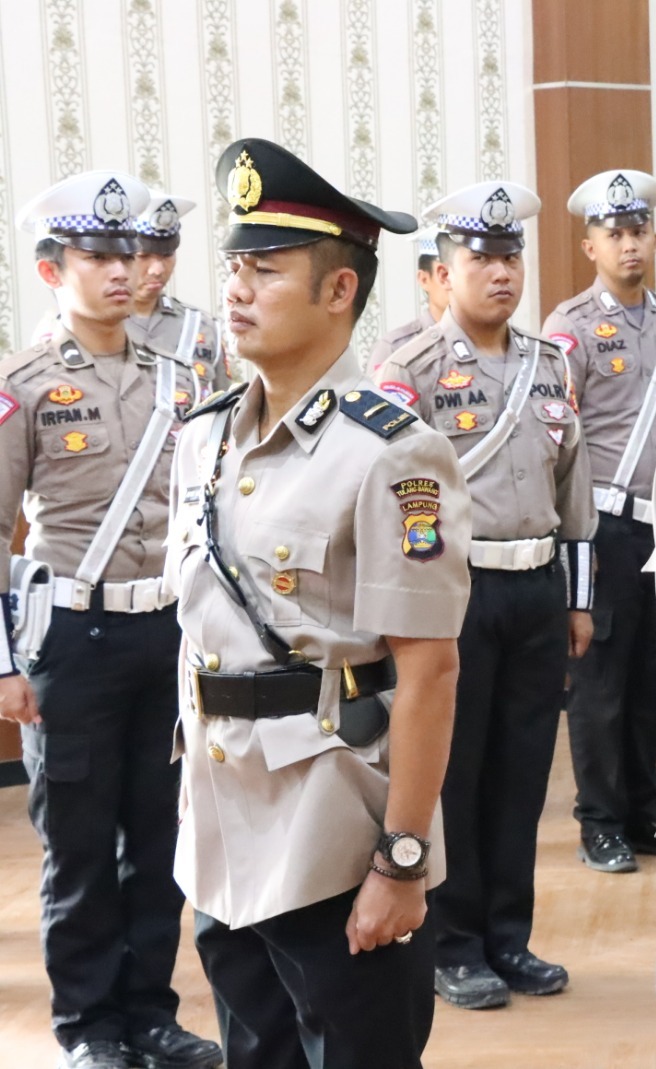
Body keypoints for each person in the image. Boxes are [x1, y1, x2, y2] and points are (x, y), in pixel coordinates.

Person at [166, 138, 470, 1069]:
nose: (238, 289)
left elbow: (427, 671)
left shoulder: (390, 451)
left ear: (339, 292)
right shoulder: (205, 437)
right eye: (234, 267)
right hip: (222, 827)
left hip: (334, 834)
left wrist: (403, 861)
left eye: (266, 270)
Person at [0, 171, 223, 1069]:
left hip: (166, 633)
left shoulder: (183, 376)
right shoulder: (23, 386)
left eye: (129, 253)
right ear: (54, 271)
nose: (123, 271)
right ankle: (89, 1027)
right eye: (98, 255)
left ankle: (151, 1014)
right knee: (82, 847)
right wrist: (3, 666)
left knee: (159, 838)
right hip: (73, 642)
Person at [378, 180, 595, 1008]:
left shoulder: (551, 362)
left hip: (536, 590)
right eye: (481, 257)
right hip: (454, 599)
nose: (501, 273)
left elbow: (574, 486)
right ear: (443, 269)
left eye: (511, 256)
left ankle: (510, 937)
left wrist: (577, 599)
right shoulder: (412, 367)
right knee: (452, 774)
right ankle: (454, 942)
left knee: (522, 773)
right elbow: (392, 494)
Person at [543, 169, 656, 874]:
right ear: (589, 246)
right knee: (600, 684)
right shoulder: (569, 327)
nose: (629, 245)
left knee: (653, 680)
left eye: (638, 232)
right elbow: (554, 436)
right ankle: (598, 819)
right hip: (599, 528)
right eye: (615, 234)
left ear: (655, 238)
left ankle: (641, 808)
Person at [124, 192, 232, 395]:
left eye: (166, 255)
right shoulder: (99, 327)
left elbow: (222, 406)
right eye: (143, 256)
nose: (157, 269)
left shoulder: (204, 327)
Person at [368, 232, 450, 369]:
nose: (454, 281)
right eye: (445, 274)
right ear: (424, 279)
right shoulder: (395, 348)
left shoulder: (489, 340)